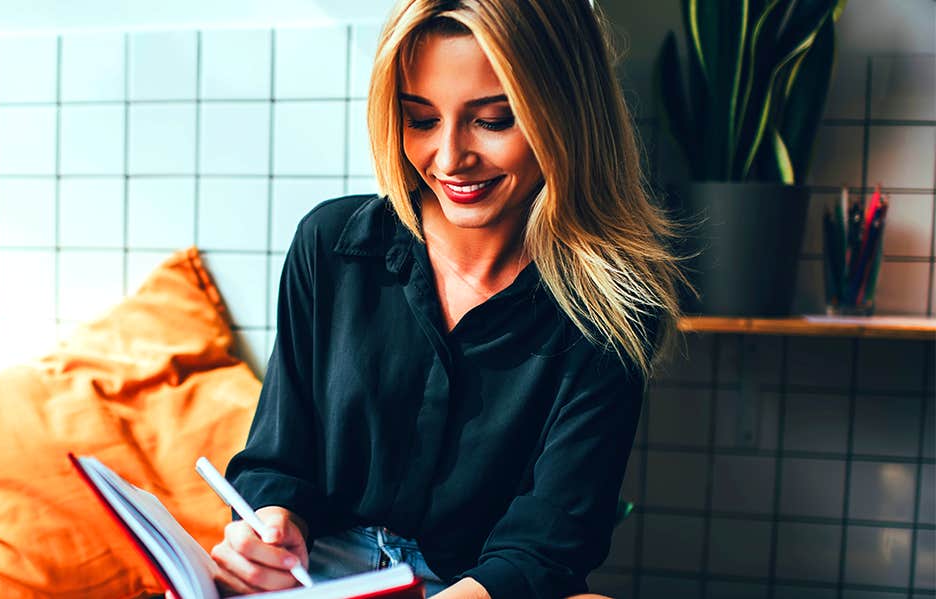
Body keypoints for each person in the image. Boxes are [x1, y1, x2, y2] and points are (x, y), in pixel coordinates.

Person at [212, 0, 687, 597]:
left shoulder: (614, 305)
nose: (450, 159)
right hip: (313, 575)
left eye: (492, 120)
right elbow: (275, 460)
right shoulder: (330, 245)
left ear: (566, 115)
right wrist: (271, 523)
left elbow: (550, 541)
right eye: (421, 120)